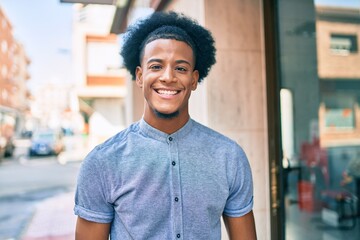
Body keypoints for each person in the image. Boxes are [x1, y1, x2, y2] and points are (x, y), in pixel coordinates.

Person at [74, 11, 257, 240]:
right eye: (156, 66)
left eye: (180, 68)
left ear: (193, 79)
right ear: (140, 77)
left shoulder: (229, 157)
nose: (168, 77)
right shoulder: (102, 162)